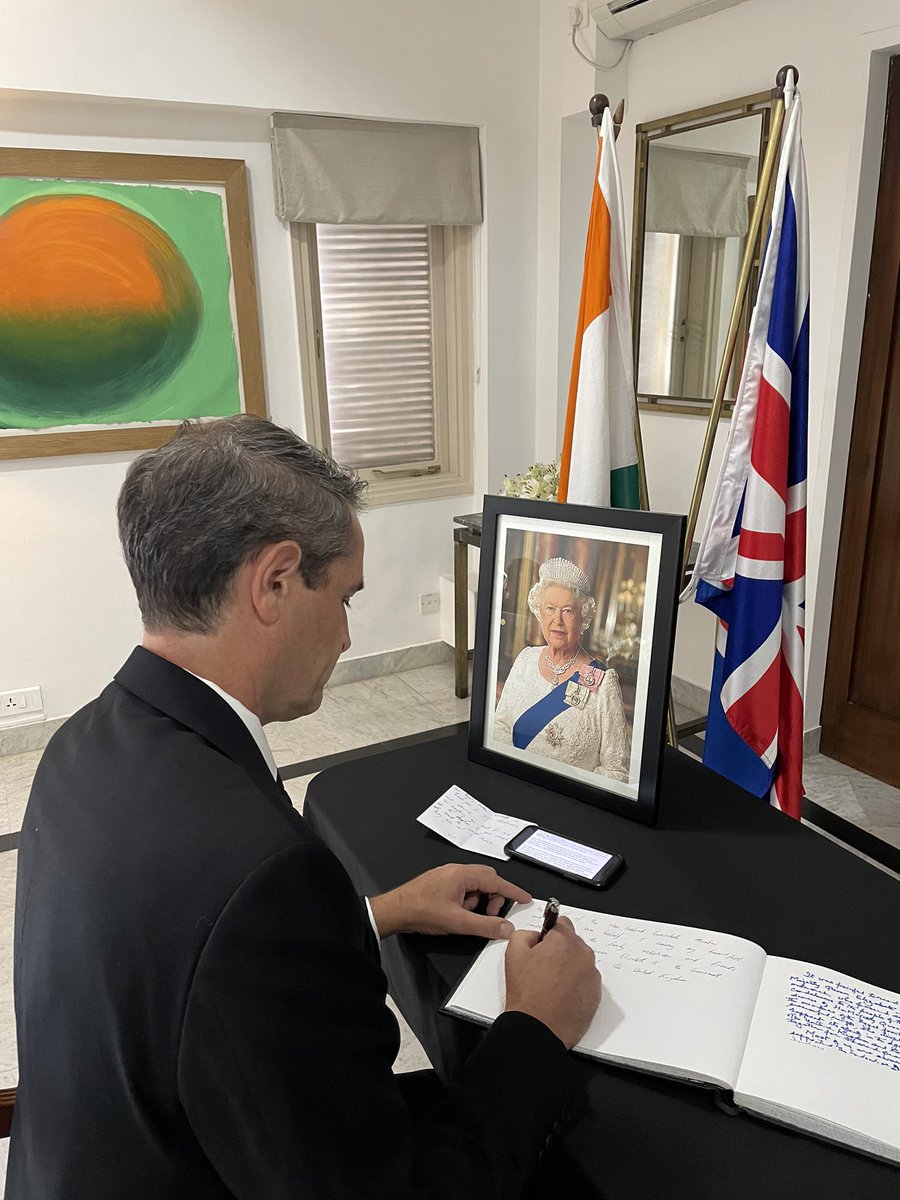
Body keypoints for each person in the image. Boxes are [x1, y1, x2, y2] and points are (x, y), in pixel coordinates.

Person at [9, 415, 602, 1200]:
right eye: (347, 596)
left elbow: (184, 959)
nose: (351, 636)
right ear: (276, 581)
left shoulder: (83, 745)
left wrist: (374, 912)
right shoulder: (264, 875)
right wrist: (537, 1028)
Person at [493, 557, 630, 782]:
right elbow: (500, 727)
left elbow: (616, 771)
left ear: (582, 618)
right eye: (550, 609)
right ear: (540, 614)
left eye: (567, 611)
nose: (557, 620)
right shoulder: (525, 659)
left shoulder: (603, 682)